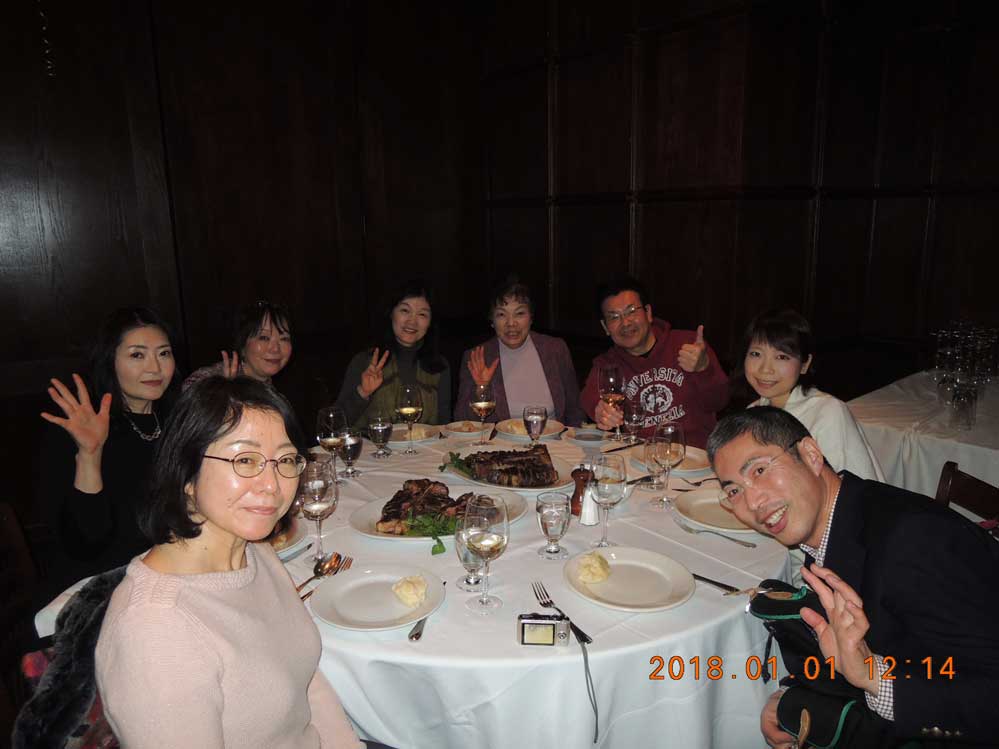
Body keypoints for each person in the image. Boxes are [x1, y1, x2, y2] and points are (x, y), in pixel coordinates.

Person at [706, 407, 999, 748]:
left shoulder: (914, 542)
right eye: (733, 491)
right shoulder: (839, 521)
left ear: (811, 454)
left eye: (759, 470)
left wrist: (874, 677)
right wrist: (796, 693)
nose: (753, 502)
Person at [95, 376, 363, 748]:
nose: (272, 485)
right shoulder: (153, 628)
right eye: (245, 460)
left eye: (285, 460)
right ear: (186, 473)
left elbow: (306, 684)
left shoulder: (255, 552)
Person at [38, 306, 180, 596]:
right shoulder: (82, 426)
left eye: (164, 353)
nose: (155, 368)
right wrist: (90, 454)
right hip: (103, 587)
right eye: (137, 355)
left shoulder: (178, 418)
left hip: (169, 573)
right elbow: (85, 545)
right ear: (109, 361)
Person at [580, 276, 728, 448]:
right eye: (614, 317)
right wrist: (599, 410)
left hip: (694, 455)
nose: (625, 323)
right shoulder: (607, 364)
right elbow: (589, 398)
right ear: (605, 327)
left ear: (648, 313)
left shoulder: (688, 345)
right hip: (638, 456)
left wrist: (704, 368)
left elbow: (720, 401)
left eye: (631, 311)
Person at [738, 308, 884, 481]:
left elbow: (854, 484)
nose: (765, 369)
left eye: (781, 357)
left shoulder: (828, 412)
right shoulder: (753, 411)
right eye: (756, 354)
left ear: (805, 364)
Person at [454, 277, 585, 426]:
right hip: (499, 441)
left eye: (520, 313)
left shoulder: (555, 349)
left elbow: (575, 411)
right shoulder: (478, 357)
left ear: (531, 318)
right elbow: (461, 421)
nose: (511, 323)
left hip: (554, 439)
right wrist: (481, 389)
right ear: (492, 321)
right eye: (501, 314)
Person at [335, 280, 451, 428]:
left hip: (426, 443)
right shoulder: (365, 361)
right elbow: (334, 426)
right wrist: (363, 392)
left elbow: (445, 426)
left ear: (430, 322)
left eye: (422, 314)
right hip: (374, 443)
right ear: (391, 313)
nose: (412, 321)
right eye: (405, 311)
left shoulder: (439, 366)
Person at [184, 300, 293, 390]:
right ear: (242, 345)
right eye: (264, 338)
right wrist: (223, 392)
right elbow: (188, 394)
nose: (275, 349)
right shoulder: (217, 377)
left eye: (284, 339)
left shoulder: (269, 388)